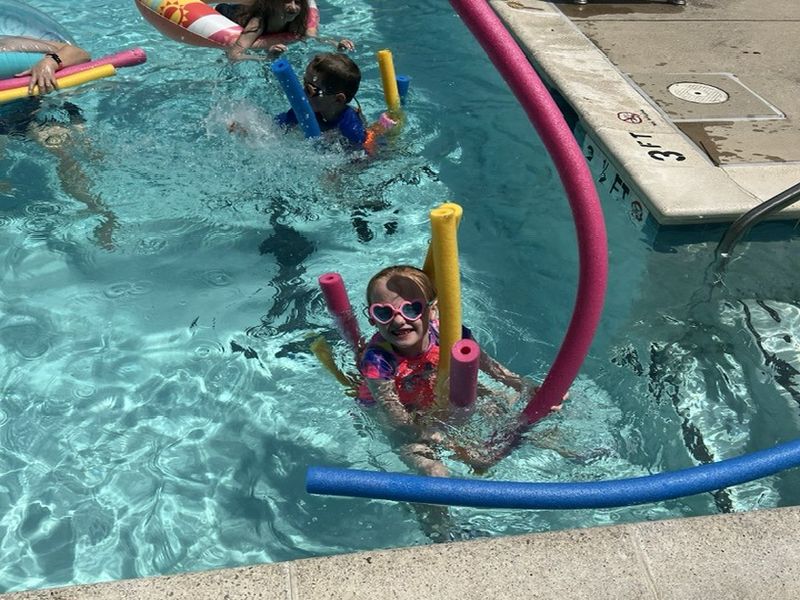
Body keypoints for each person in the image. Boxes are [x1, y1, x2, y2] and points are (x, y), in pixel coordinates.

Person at [358, 265, 533, 478]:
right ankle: (434, 510)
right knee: (432, 470)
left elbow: (494, 369)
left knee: (514, 411)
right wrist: (432, 435)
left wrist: (524, 385)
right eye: (383, 312)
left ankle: (574, 452)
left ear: (432, 310)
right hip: (406, 413)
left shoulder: (450, 334)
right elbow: (395, 417)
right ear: (372, 319)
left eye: (411, 309)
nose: (398, 320)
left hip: (438, 388)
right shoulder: (378, 359)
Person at [1, 38, 118, 249]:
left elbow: (79, 52)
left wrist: (50, 62)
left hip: (36, 108)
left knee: (65, 153)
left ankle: (102, 212)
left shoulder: (8, 45)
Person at [205, 0, 354, 60]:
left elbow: (314, 38)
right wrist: (265, 58)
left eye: (298, 2)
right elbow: (234, 54)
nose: (293, 7)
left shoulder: (296, 20)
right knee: (222, 7)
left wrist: (336, 44)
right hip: (229, 12)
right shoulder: (258, 22)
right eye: (287, 0)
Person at [274, 52, 366, 147]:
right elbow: (276, 127)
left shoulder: (351, 127)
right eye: (304, 83)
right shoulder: (306, 110)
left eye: (310, 90)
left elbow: (359, 158)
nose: (302, 92)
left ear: (338, 99)